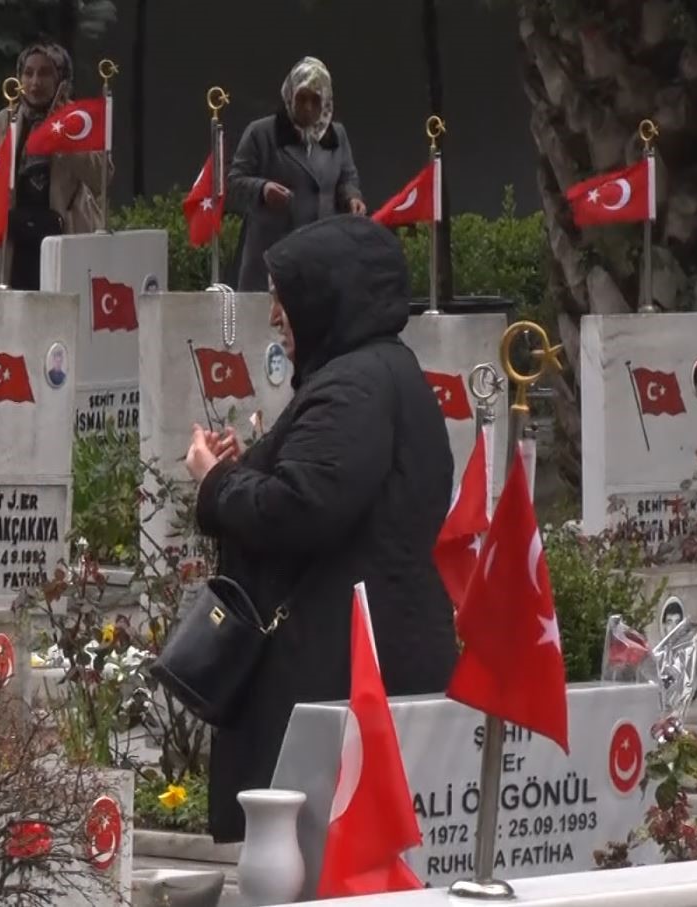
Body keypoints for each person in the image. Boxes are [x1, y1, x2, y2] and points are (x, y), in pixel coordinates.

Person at [184, 215, 457, 843]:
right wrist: (245, 466)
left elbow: (303, 506)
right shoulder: (374, 373)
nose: (276, 316)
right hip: (359, 649)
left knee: (314, 860)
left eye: (286, 295)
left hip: (333, 664)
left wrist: (214, 483)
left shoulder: (354, 386)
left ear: (327, 296)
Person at [0, 42, 107, 289]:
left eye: (44, 73)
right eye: (28, 73)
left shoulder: (77, 120)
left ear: (61, 79)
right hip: (14, 242)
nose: (34, 82)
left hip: (64, 236)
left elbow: (102, 177)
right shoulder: (5, 120)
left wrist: (65, 140)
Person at [226, 57, 366, 293]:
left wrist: (353, 197)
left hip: (322, 255)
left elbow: (347, 177)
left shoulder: (336, 135)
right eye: (302, 98)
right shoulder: (262, 133)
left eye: (316, 100)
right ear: (289, 95)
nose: (308, 107)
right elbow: (234, 182)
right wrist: (263, 189)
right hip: (273, 255)